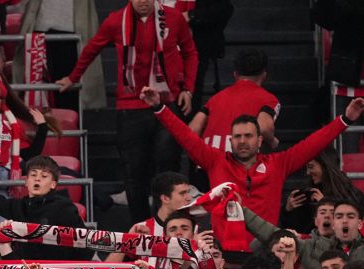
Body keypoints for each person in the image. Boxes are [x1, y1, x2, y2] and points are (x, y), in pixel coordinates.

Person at [55, 0, 198, 221]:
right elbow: (92, 48)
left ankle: (170, 226)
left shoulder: (174, 18)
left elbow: (190, 51)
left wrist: (187, 89)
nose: (143, 2)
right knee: (134, 174)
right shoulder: (115, 21)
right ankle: (142, 230)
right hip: (131, 106)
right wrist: (73, 78)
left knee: (167, 166)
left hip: (166, 102)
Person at [143, 88, 364, 227]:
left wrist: (345, 119)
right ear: (230, 140)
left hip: (266, 257)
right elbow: (184, 136)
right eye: (237, 136)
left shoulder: (278, 164)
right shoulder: (214, 161)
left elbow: (314, 143)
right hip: (224, 256)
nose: (242, 141)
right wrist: (159, 108)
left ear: (260, 140)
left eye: (248, 136)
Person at [188, 48, 279, 152]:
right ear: (264, 75)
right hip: (240, 160)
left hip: (209, 159)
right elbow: (264, 128)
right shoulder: (268, 99)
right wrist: (272, 141)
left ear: (235, 74)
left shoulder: (215, 99)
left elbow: (193, 129)